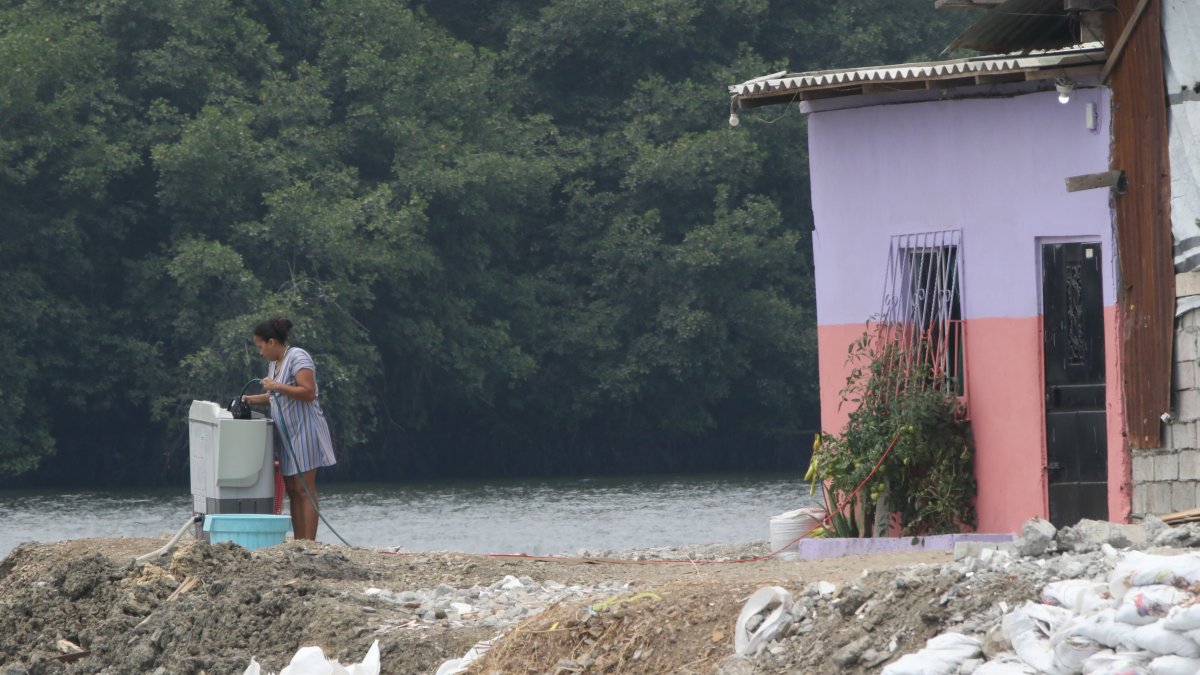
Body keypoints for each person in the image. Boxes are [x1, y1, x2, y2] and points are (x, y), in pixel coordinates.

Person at [241, 317, 336, 540]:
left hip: (306, 431)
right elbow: (276, 397)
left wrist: (277, 386)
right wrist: (251, 400)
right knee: (293, 490)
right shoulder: (273, 365)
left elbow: (308, 391)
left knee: (305, 490)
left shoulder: (298, 357)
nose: (260, 351)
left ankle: (309, 542)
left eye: (261, 346)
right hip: (287, 435)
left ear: (272, 342)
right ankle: (299, 541)